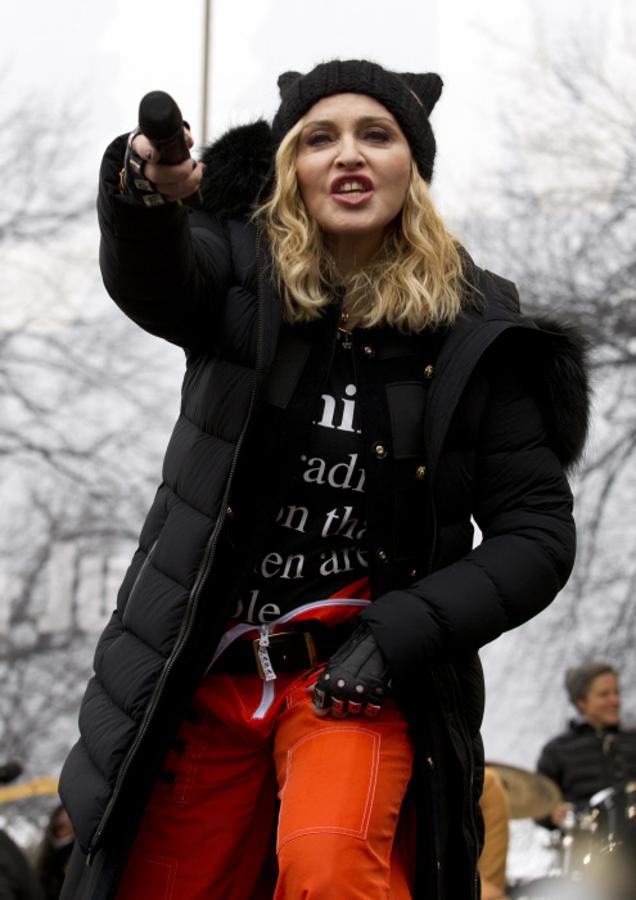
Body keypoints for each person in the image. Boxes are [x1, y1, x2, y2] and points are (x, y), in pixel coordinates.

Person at [58, 59, 589, 899]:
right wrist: (146, 197)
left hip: (353, 676)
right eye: (320, 138)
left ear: (410, 165)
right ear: (290, 169)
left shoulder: (476, 332)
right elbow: (155, 274)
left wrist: (396, 633)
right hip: (210, 675)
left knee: (331, 866)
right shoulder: (239, 274)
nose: (348, 154)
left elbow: (538, 536)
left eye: (376, 135)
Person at [538, 662, 636, 826]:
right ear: (581, 702)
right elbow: (537, 804)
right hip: (587, 840)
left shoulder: (632, 739)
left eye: (616, 693)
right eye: (604, 695)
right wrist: (552, 813)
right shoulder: (557, 750)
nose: (615, 701)